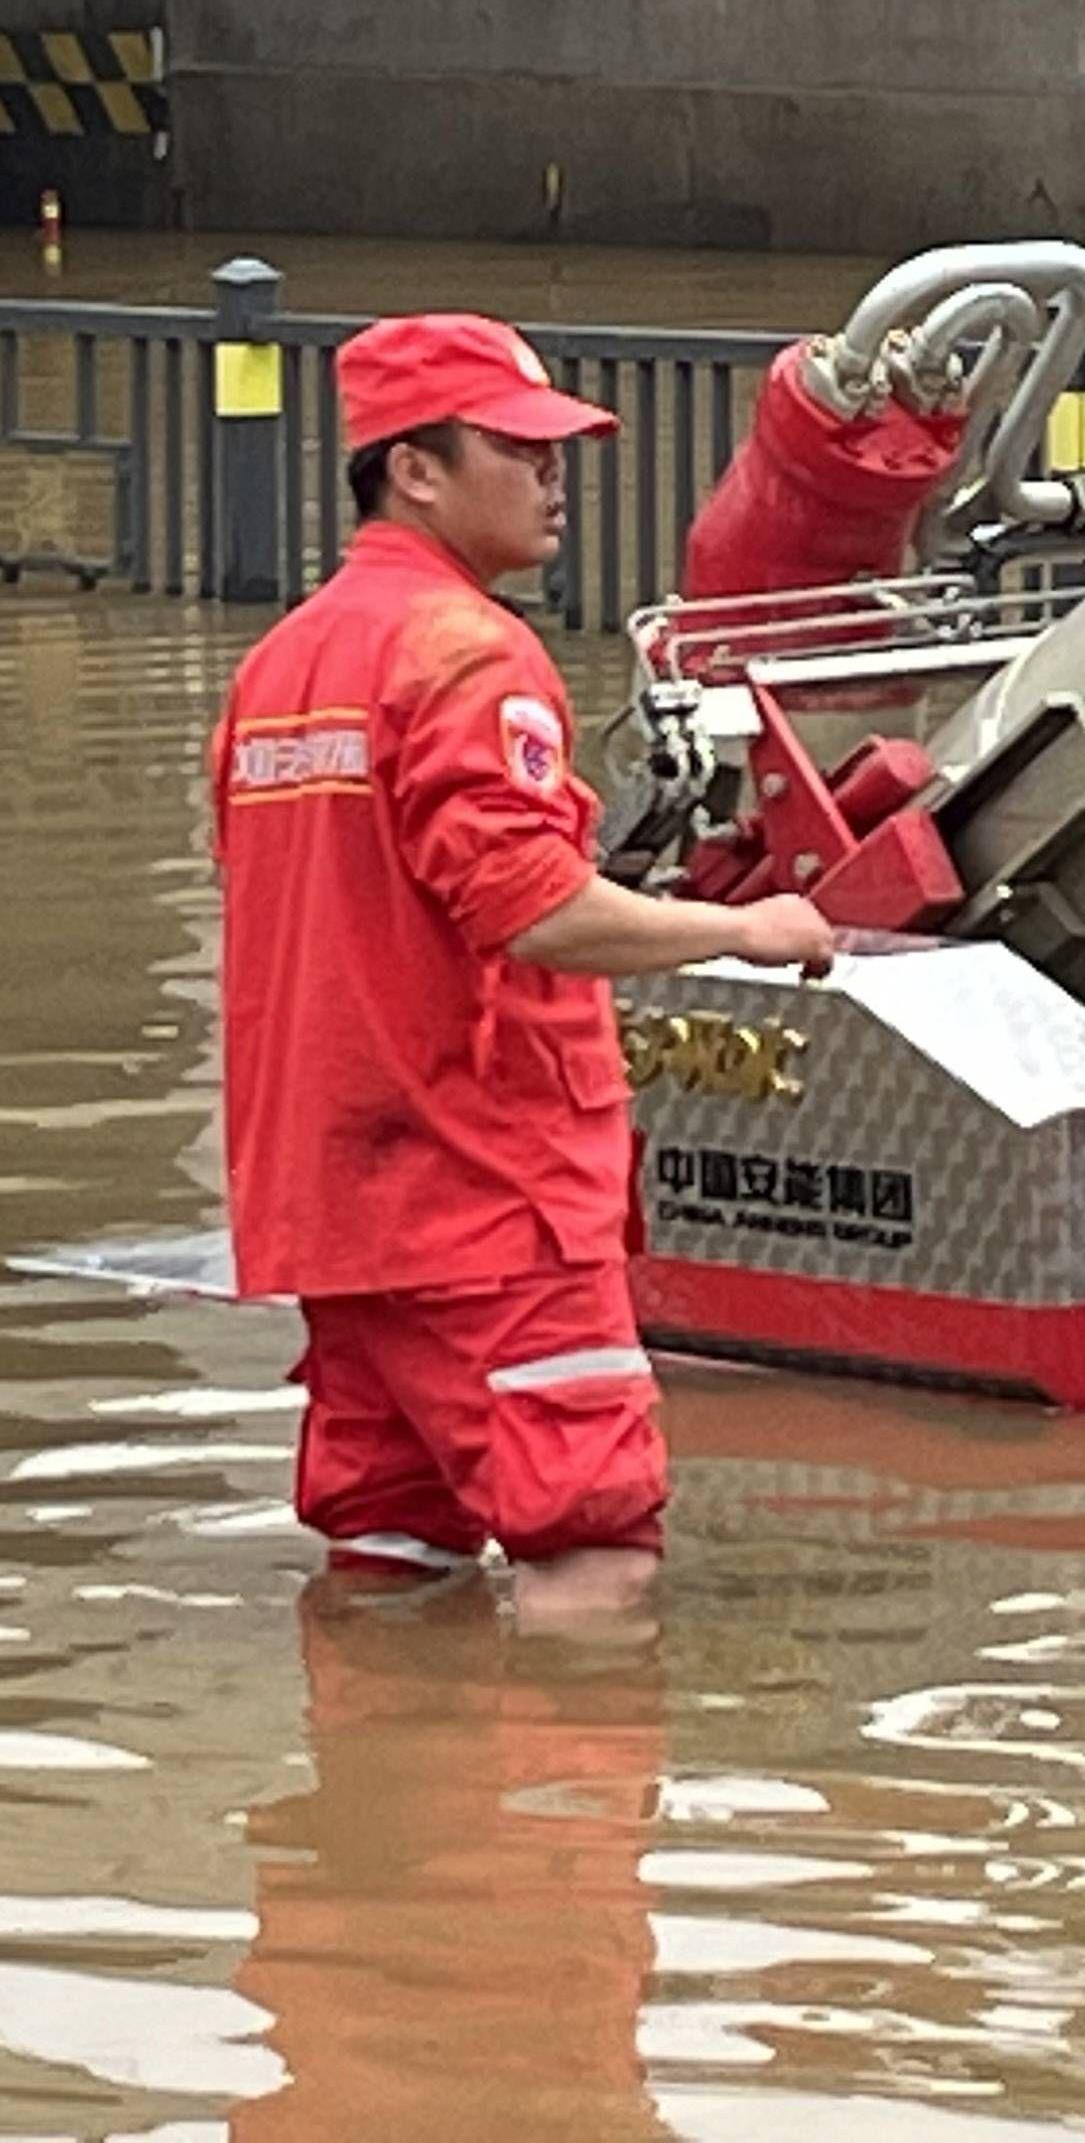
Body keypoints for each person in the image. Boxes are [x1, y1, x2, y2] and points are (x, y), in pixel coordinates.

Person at [212, 312, 836, 1625]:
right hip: (487, 1199)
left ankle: (378, 1811)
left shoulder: (280, 667)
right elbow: (537, 910)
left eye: (558, 453)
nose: (554, 478)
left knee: (391, 1550)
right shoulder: (469, 652)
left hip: (337, 1208)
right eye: (517, 449)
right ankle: (546, 1832)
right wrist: (750, 928)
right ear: (414, 469)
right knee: (592, 1551)